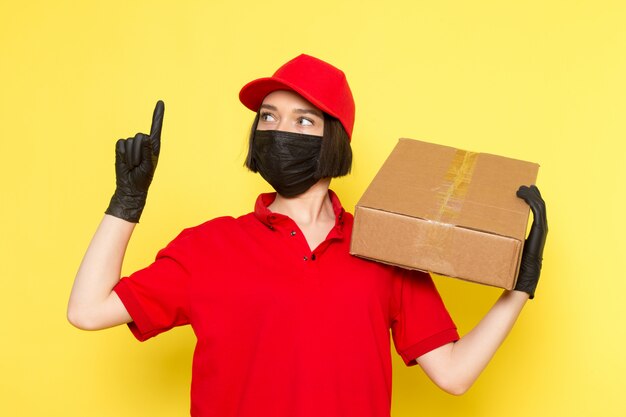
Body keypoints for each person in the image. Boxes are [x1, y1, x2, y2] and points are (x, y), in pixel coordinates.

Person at [67, 54, 548, 417]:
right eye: (268, 117)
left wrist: (517, 288)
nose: (279, 130)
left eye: (303, 121)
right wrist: (126, 202)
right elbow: (87, 312)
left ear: (333, 140)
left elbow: (454, 375)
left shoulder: (387, 249)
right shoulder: (207, 247)